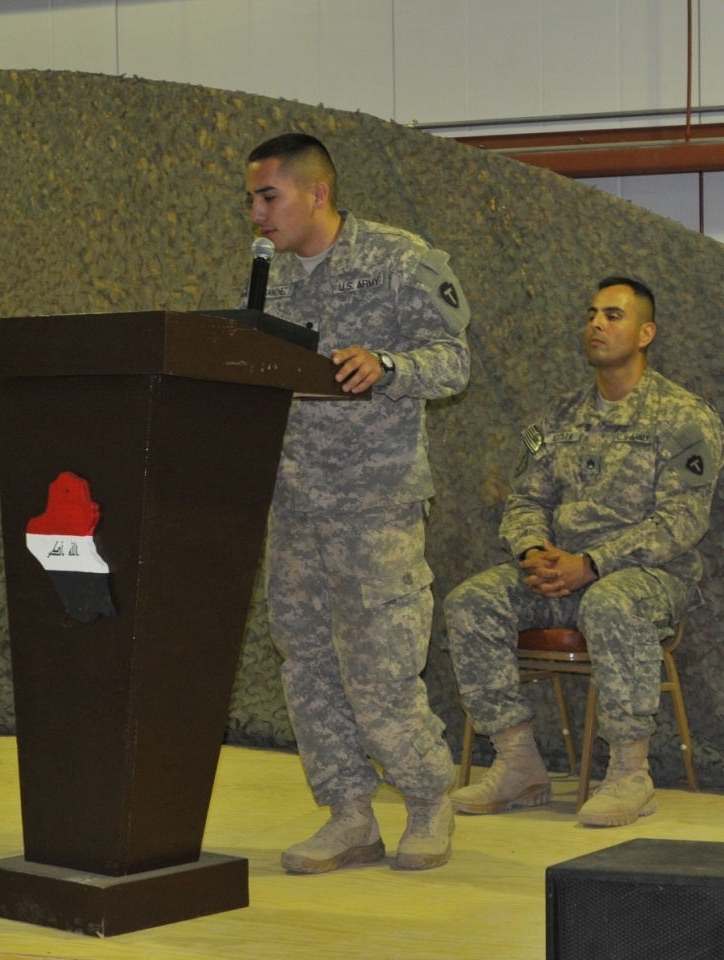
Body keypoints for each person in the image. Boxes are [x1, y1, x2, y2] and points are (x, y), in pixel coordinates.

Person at [243, 132, 471, 872]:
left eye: (268, 196)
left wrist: (389, 365)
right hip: (295, 505)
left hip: (375, 505)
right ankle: (349, 815)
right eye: (251, 198)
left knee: (378, 669)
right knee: (306, 664)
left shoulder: (399, 258)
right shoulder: (268, 277)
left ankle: (429, 799)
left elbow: (453, 360)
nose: (256, 213)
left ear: (317, 192)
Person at [444, 276, 723, 828]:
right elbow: (524, 498)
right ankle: (519, 763)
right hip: (560, 574)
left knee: (610, 602)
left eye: (614, 316)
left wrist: (591, 565)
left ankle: (629, 774)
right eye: (591, 313)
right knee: (470, 603)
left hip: (651, 577)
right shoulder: (559, 417)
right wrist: (533, 549)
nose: (597, 324)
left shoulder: (683, 417)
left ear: (646, 333)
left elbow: (681, 522)